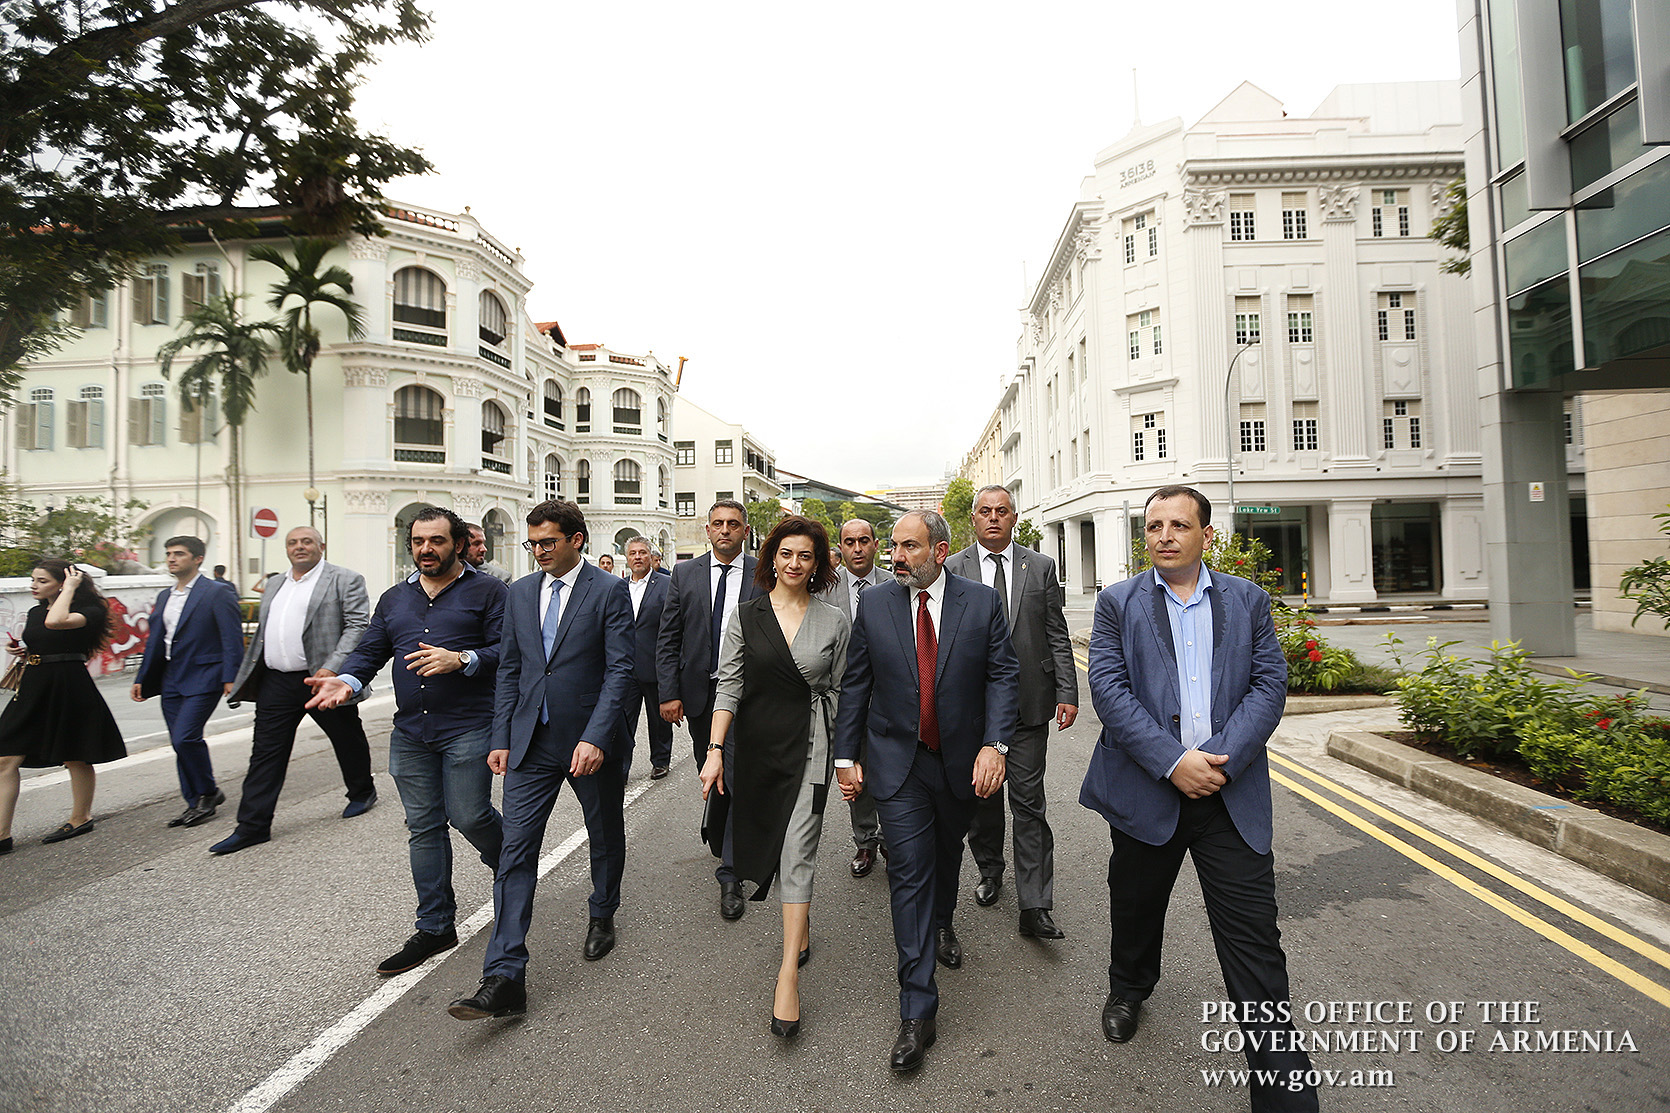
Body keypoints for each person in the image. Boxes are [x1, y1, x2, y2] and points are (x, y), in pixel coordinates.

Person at [1080, 486, 1316, 1113]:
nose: (1164, 536)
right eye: (1154, 526)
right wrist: (1172, 761)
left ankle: (1285, 1094)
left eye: (1178, 525)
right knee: (1135, 907)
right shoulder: (1117, 602)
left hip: (1228, 797)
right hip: (1147, 791)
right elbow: (1109, 689)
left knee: (1255, 945)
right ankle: (1129, 987)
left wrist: (1219, 762)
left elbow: (1269, 685)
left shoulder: (1248, 600)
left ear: (1206, 535)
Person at [833, 509, 1018, 1071]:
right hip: (899, 764)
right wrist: (845, 755)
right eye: (894, 546)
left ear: (938, 551)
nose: (896, 556)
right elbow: (856, 683)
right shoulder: (876, 605)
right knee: (909, 872)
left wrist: (996, 745)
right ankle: (916, 1009)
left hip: (960, 762)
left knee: (945, 855)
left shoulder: (981, 603)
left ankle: (942, 922)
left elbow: (1002, 675)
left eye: (909, 547)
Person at [448, 500, 635, 1021]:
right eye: (533, 544)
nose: (539, 552)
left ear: (576, 539)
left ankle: (602, 912)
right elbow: (511, 668)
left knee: (604, 830)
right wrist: (502, 736)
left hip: (589, 741)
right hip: (530, 741)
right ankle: (505, 975)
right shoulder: (521, 592)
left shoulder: (609, 590)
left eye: (548, 542)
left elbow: (620, 670)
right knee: (515, 851)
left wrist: (596, 737)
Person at [305, 507, 507, 976]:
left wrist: (463, 659)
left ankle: (512, 869)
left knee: (470, 815)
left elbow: (508, 651)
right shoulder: (395, 598)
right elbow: (370, 650)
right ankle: (435, 926)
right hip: (412, 731)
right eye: (418, 541)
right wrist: (347, 681)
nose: (425, 549)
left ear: (458, 544)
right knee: (424, 827)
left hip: (469, 726)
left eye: (436, 540)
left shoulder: (490, 591)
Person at [700, 516, 846, 1038]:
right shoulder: (746, 615)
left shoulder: (834, 620)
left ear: (817, 563)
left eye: (805, 555)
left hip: (810, 745)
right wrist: (715, 750)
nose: (794, 563)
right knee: (775, 842)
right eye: (786, 553)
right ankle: (799, 925)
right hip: (759, 748)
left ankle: (787, 975)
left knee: (799, 848)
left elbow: (843, 690)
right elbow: (729, 685)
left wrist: (846, 757)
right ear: (772, 558)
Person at [946, 485, 1077, 938]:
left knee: (1029, 803)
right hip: (972, 710)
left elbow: (1056, 632)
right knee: (983, 801)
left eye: (1002, 511)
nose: (993, 518)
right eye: (985, 511)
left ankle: (1035, 905)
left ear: (1014, 518)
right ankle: (990, 870)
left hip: (1028, 705)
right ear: (974, 518)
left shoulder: (1039, 566)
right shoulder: (952, 568)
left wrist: (1067, 689)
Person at [213, 527, 376, 855]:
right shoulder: (275, 583)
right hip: (276, 682)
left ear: (321, 546)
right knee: (265, 753)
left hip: (322, 680)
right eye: (292, 543)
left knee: (346, 738)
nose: (299, 547)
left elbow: (358, 625)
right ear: (286, 549)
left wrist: (333, 667)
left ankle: (362, 792)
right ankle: (252, 826)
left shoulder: (345, 579)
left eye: (306, 542)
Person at [657, 499, 760, 920]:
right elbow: (669, 636)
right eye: (718, 523)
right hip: (700, 693)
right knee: (711, 770)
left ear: (745, 531)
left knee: (735, 774)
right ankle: (718, 829)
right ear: (707, 530)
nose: (725, 530)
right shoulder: (685, 573)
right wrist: (668, 692)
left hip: (749, 694)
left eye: (733, 524)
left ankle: (730, 872)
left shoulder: (763, 572)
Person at [0, 561, 126, 852]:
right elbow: (45, 637)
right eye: (33, 580)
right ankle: (2, 835)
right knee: (5, 756)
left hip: (69, 684)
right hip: (34, 684)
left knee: (75, 755)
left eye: (42, 581)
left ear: (64, 582)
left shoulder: (90, 611)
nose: (33, 585)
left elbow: (56, 622)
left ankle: (81, 817)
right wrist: (22, 650)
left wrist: (69, 588)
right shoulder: (35, 612)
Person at [132, 535, 245, 827]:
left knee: (186, 737)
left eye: (179, 553)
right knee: (178, 742)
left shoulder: (217, 592)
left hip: (205, 674)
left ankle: (209, 793)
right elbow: (156, 641)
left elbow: (231, 637)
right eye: (169, 553)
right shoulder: (165, 596)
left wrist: (231, 677)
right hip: (171, 677)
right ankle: (194, 802)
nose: (172, 558)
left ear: (198, 559)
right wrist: (142, 677)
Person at [825, 518, 889, 878]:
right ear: (841, 547)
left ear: (875, 545)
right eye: (849, 542)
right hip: (846, 700)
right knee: (855, 768)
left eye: (864, 541)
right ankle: (865, 842)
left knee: (892, 771)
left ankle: (892, 839)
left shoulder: (896, 583)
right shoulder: (825, 589)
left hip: (890, 698)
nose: (857, 548)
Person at [619, 536, 673, 780]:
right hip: (625, 667)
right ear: (627, 558)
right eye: (633, 553)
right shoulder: (618, 587)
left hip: (655, 665)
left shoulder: (666, 585)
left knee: (659, 719)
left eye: (642, 552)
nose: (638, 557)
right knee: (622, 721)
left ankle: (660, 760)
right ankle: (620, 768)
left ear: (651, 556)